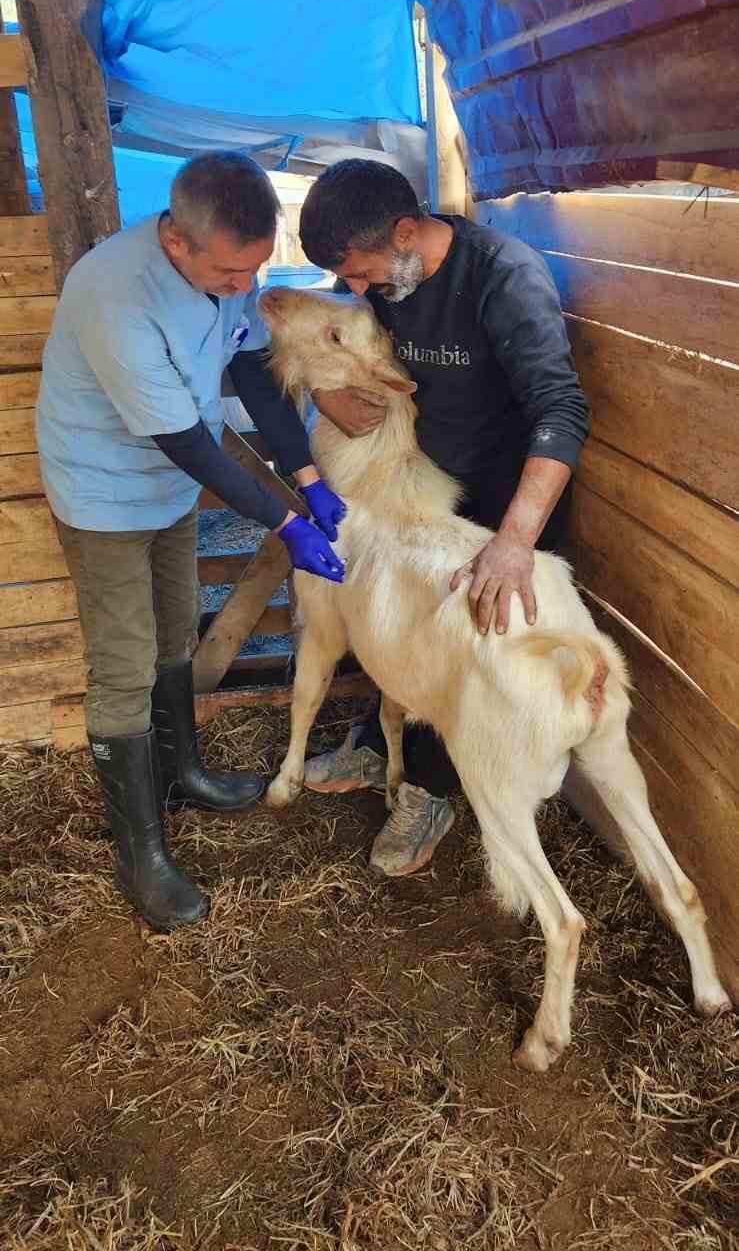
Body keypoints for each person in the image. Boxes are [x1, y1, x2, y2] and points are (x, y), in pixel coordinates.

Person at [36, 152, 345, 931]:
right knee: (123, 663)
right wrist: (288, 522)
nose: (246, 287)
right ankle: (141, 854)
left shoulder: (221, 279)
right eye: (232, 271)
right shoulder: (116, 294)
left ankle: (185, 774)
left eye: (256, 269)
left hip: (167, 488)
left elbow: (249, 368)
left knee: (177, 627)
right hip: (105, 490)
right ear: (176, 240)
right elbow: (190, 445)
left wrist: (307, 476)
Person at [298, 159, 589, 878]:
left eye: (359, 274)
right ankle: (377, 737)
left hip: (502, 507)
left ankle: (429, 792)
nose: (354, 290)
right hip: (426, 491)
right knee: (395, 622)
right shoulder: (387, 274)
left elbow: (561, 409)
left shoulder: (502, 276)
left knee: (456, 646)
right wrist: (321, 390)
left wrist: (515, 542)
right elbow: (333, 339)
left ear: (404, 231)